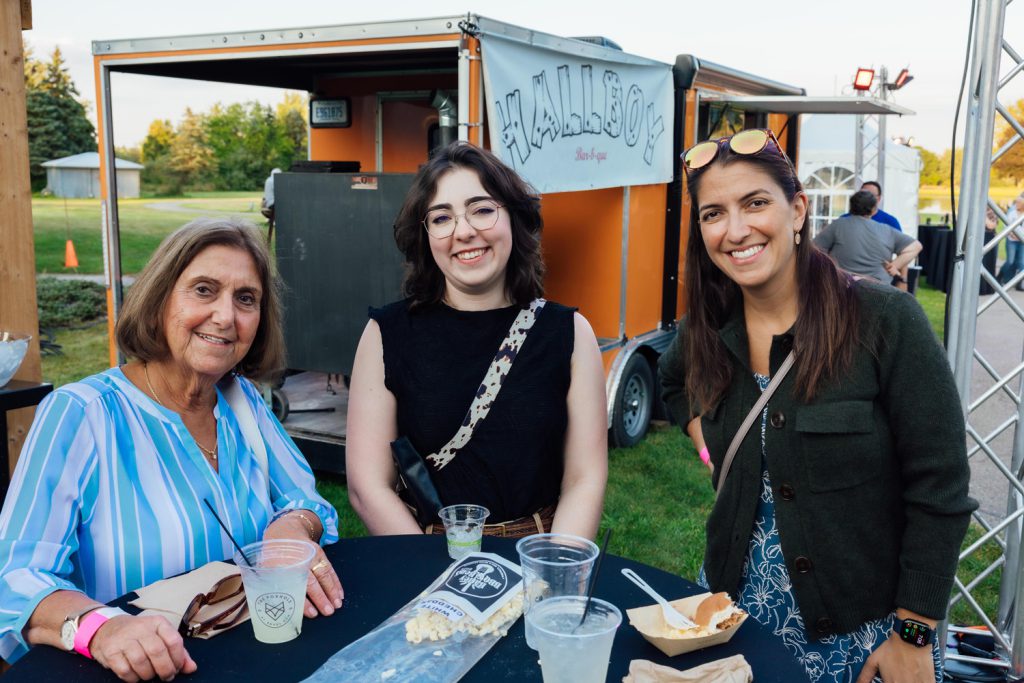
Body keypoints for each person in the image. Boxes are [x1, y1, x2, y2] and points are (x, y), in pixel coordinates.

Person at [659, 128, 976, 683]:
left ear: (799, 211)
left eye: (755, 203)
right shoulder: (705, 329)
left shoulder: (885, 322)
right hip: (732, 620)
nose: (735, 230)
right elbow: (673, 383)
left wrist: (914, 633)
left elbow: (941, 488)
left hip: (860, 640)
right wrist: (707, 444)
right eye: (713, 214)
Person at [0, 218, 343, 680]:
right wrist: (102, 628)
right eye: (204, 290)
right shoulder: (82, 413)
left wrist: (293, 526)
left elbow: (306, 500)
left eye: (246, 299)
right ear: (159, 299)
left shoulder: (242, 401)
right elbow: (14, 577)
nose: (226, 316)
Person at [346, 141, 607, 540]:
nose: (464, 232)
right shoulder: (386, 334)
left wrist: (555, 568)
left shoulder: (570, 334)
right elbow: (368, 487)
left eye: (482, 210)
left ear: (513, 217)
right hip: (426, 555)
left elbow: (584, 479)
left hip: (536, 552)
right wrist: (431, 573)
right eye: (442, 218)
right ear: (425, 235)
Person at [814, 189, 922, 289]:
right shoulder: (887, 230)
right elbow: (916, 246)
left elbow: (813, 248)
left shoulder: (838, 225)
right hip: (879, 289)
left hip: (843, 286)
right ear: (874, 209)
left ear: (851, 206)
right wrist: (894, 265)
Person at [997, 192, 1024, 290]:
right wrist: (1012, 234)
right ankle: (1000, 276)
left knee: (1021, 263)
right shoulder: (1012, 213)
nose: (1016, 204)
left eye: (1019, 203)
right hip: (1011, 241)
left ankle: (1019, 283)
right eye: (1016, 202)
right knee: (1010, 261)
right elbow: (1006, 225)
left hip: (1022, 242)